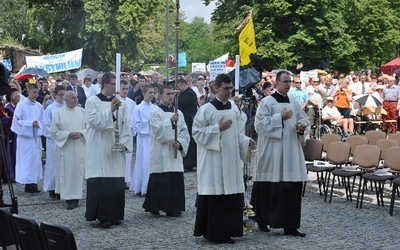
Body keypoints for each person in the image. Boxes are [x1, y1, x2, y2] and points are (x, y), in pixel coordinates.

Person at [193, 73, 254, 244]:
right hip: (213, 160)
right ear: (216, 88)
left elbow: (237, 134)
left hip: (231, 159)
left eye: (230, 88)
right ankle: (214, 232)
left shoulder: (234, 108)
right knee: (217, 195)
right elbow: (196, 133)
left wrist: (246, 141)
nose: (229, 92)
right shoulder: (206, 110)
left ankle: (230, 230)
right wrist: (216, 129)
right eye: (225, 88)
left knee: (231, 196)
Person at [251, 70, 310, 237]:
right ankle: (263, 221)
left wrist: (302, 127)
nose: (288, 84)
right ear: (276, 83)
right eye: (285, 81)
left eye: (290, 82)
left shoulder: (293, 102)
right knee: (270, 186)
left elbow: (304, 120)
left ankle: (290, 226)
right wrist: (279, 118)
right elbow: (259, 125)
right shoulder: (267, 102)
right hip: (272, 151)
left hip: (291, 150)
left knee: (290, 187)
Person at [85, 73, 132, 228]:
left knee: (116, 181)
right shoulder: (92, 101)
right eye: (113, 84)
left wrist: (124, 142)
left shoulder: (122, 104)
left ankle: (115, 214)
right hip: (99, 147)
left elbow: (126, 125)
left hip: (116, 148)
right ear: (105, 85)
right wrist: (110, 111)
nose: (116, 88)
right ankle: (101, 216)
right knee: (101, 180)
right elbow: (94, 122)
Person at [142, 85, 190, 216]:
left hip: (174, 152)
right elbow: (158, 133)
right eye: (168, 94)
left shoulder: (178, 113)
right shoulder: (155, 112)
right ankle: (156, 206)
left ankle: (174, 207)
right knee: (161, 177)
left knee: (174, 178)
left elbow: (184, 132)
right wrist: (170, 121)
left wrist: (179, 143)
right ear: (161, 96)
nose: (171, 96)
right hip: (161, 151)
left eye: (172, 94)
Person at [51, 91, 87, 210]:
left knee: (77, 171)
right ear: (65, 99)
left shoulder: (82, 112)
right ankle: (69, 198)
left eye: (76, 97)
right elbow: (54, 131)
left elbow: (89, 128)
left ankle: (76, 196)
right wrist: (68, 134)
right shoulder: (59, 113)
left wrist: (81, 133)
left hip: (79, 146)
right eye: (72, 98)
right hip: (66, 146)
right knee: (67, 172)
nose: (75, 100)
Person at [11, 84, 44, 193]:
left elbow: (43, 121)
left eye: (37, 92)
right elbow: (16, 121)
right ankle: (27, 182)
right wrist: (30, 124)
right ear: (28, 92)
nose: (36, 94)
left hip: (35, 137)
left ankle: (33, 182)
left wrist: (38, 124)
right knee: (26, 160)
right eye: (33, 92)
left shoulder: (39, 106)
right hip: (25, 138)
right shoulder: (21, 105)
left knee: (35, 160)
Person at [130, 85, 156, 196]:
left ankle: (150, 186)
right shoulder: (138, 109)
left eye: (153, 92)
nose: (152, 94)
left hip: (153, 137)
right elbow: (135, 125)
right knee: (143, 162)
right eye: (150, 92)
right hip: (144, 138)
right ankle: (142, 187)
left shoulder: (155, 108)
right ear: (144, 94)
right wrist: (148, 123)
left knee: (152, 162)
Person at [43, 85, 66, 199]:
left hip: (66, 141)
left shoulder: (68, 107)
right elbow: (46, 126)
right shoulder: (50, 109)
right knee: (53, 165)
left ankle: (63, 188)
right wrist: (56, 136)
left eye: (64, 95)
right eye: (60, 95)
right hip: (54, 142)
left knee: (64, 165)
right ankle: (52, 188)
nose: (62, 97)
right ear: (54, 95)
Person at [177, 78, 198, 172]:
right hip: (185, 119)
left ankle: (189, 164)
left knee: (190, 142)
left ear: (184, 85)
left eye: (179, 86)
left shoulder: (190, 94)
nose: (177, 89)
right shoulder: (184, 93)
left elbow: (181, 103)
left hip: (189, 120)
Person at [119, 80, 137, 189]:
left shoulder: (131, 103)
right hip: (118, 133)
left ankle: (126, 179)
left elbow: (134, 118)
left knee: (127, 156)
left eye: (127, 89)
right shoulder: (115, 101)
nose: (125, 91)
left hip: (128, 133)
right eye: (123, 89)